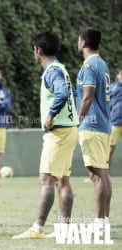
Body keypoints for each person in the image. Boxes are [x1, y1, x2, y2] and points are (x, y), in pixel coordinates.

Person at [12, 31, 79, 239]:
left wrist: (50, 114)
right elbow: (73, 93)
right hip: (69, 128)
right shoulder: (62, 68)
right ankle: (65, 229)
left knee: (46, 180)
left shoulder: (52, 71)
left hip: (58, 132)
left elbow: (62, 93)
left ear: (38, 50)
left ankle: (37, 229)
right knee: (62, 181)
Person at [76, 26, 112, 226]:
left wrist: (77, 120)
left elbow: (87, 97)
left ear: (82, 42)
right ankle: (104, 220)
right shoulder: (103, 64)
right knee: (103, 174)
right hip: (104, 125)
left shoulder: (89, 66)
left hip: (92, 125)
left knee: (96, 175)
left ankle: (99, 223)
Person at [109, 65, 122, 168]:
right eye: (121, 74)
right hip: (115, 123)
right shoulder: (112, 88)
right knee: (109, 151)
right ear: (118, 75)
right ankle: (105, 177)